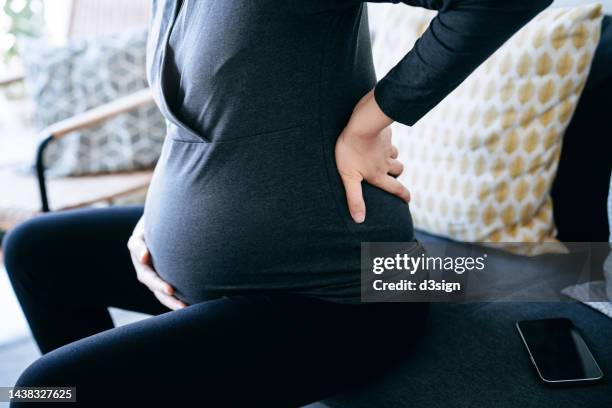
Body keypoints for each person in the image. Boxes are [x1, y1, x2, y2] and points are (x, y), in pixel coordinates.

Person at [3, 0, 550, 406]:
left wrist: (372, 119)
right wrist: (159, 210)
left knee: (43, 391)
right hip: (218, 274)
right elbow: (208, 119)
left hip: (342, 293)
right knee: (35, 250)